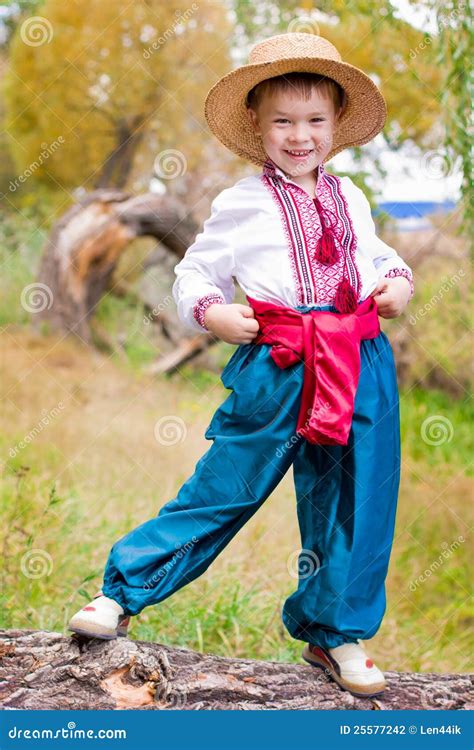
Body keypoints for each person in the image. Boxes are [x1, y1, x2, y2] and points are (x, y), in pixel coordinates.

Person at [68, 33, 414, 699]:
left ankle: (333, 630)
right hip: (280, 361)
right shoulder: (243, 202)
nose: (299, 135)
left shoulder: (352, 199)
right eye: (282, 120)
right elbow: (194, 272)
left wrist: (398, 282)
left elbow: (377, 257)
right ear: (256, 124)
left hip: (358, 358)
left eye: (314, 120)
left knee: (356, 498)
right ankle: (122, 591)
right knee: (225, 485)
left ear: (336, 124)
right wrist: (212, 312)